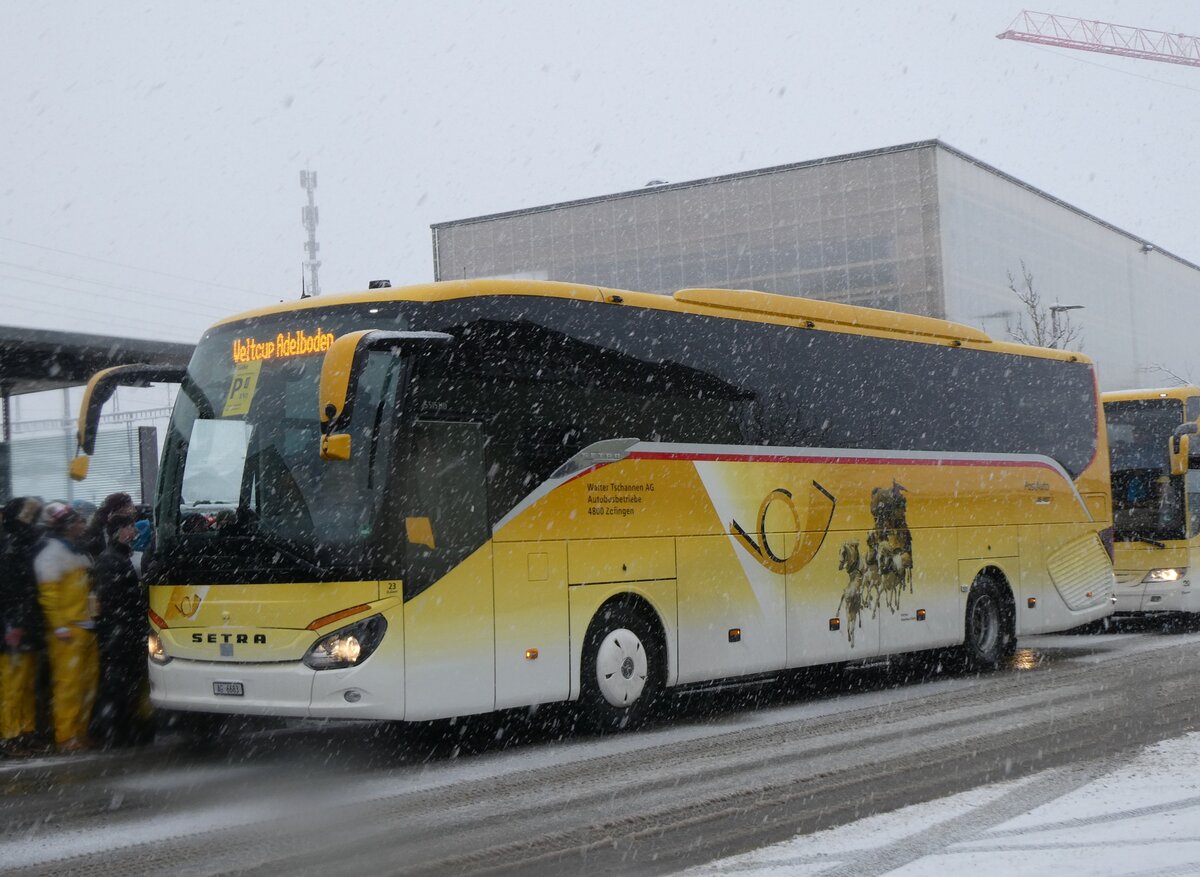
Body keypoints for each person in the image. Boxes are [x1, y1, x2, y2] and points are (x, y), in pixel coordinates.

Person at [34, 502, 97, 752]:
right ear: (66, 526)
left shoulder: (77, 551)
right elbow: (48, 596)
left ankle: (80, 732)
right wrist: (59, 626)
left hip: (85, 626)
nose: (83, 525)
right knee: (68, 685)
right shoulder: (52, 554)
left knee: (87, 684)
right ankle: (66, 735)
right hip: (68, 630)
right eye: (78, 522)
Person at [91, 511, 152, 748]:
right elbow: (112, 598)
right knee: (118, 684)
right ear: (119, 532)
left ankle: (123, 729)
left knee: (126, 683)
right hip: (119, 632)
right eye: (130, 527)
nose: (134, 532)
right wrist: (135, 606)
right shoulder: (110, 560)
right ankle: (116, 731)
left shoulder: (117, 557)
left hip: (123, 630)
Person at [0, 497, 46, 756]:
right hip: (14, 628)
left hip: (25, 625)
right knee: (14, 686)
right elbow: (10, 590)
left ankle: (24, 732)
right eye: (28, 513)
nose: (31, 519)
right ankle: (11, 736)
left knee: (25, 685)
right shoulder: (11, 545)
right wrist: (14, 623)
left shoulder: (21, 542)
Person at [80, 492, 135, 561]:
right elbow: (105, 554)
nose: (132, 510)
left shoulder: (122, 525)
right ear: (118, 509)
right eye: (128, 507)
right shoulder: (103, 528)